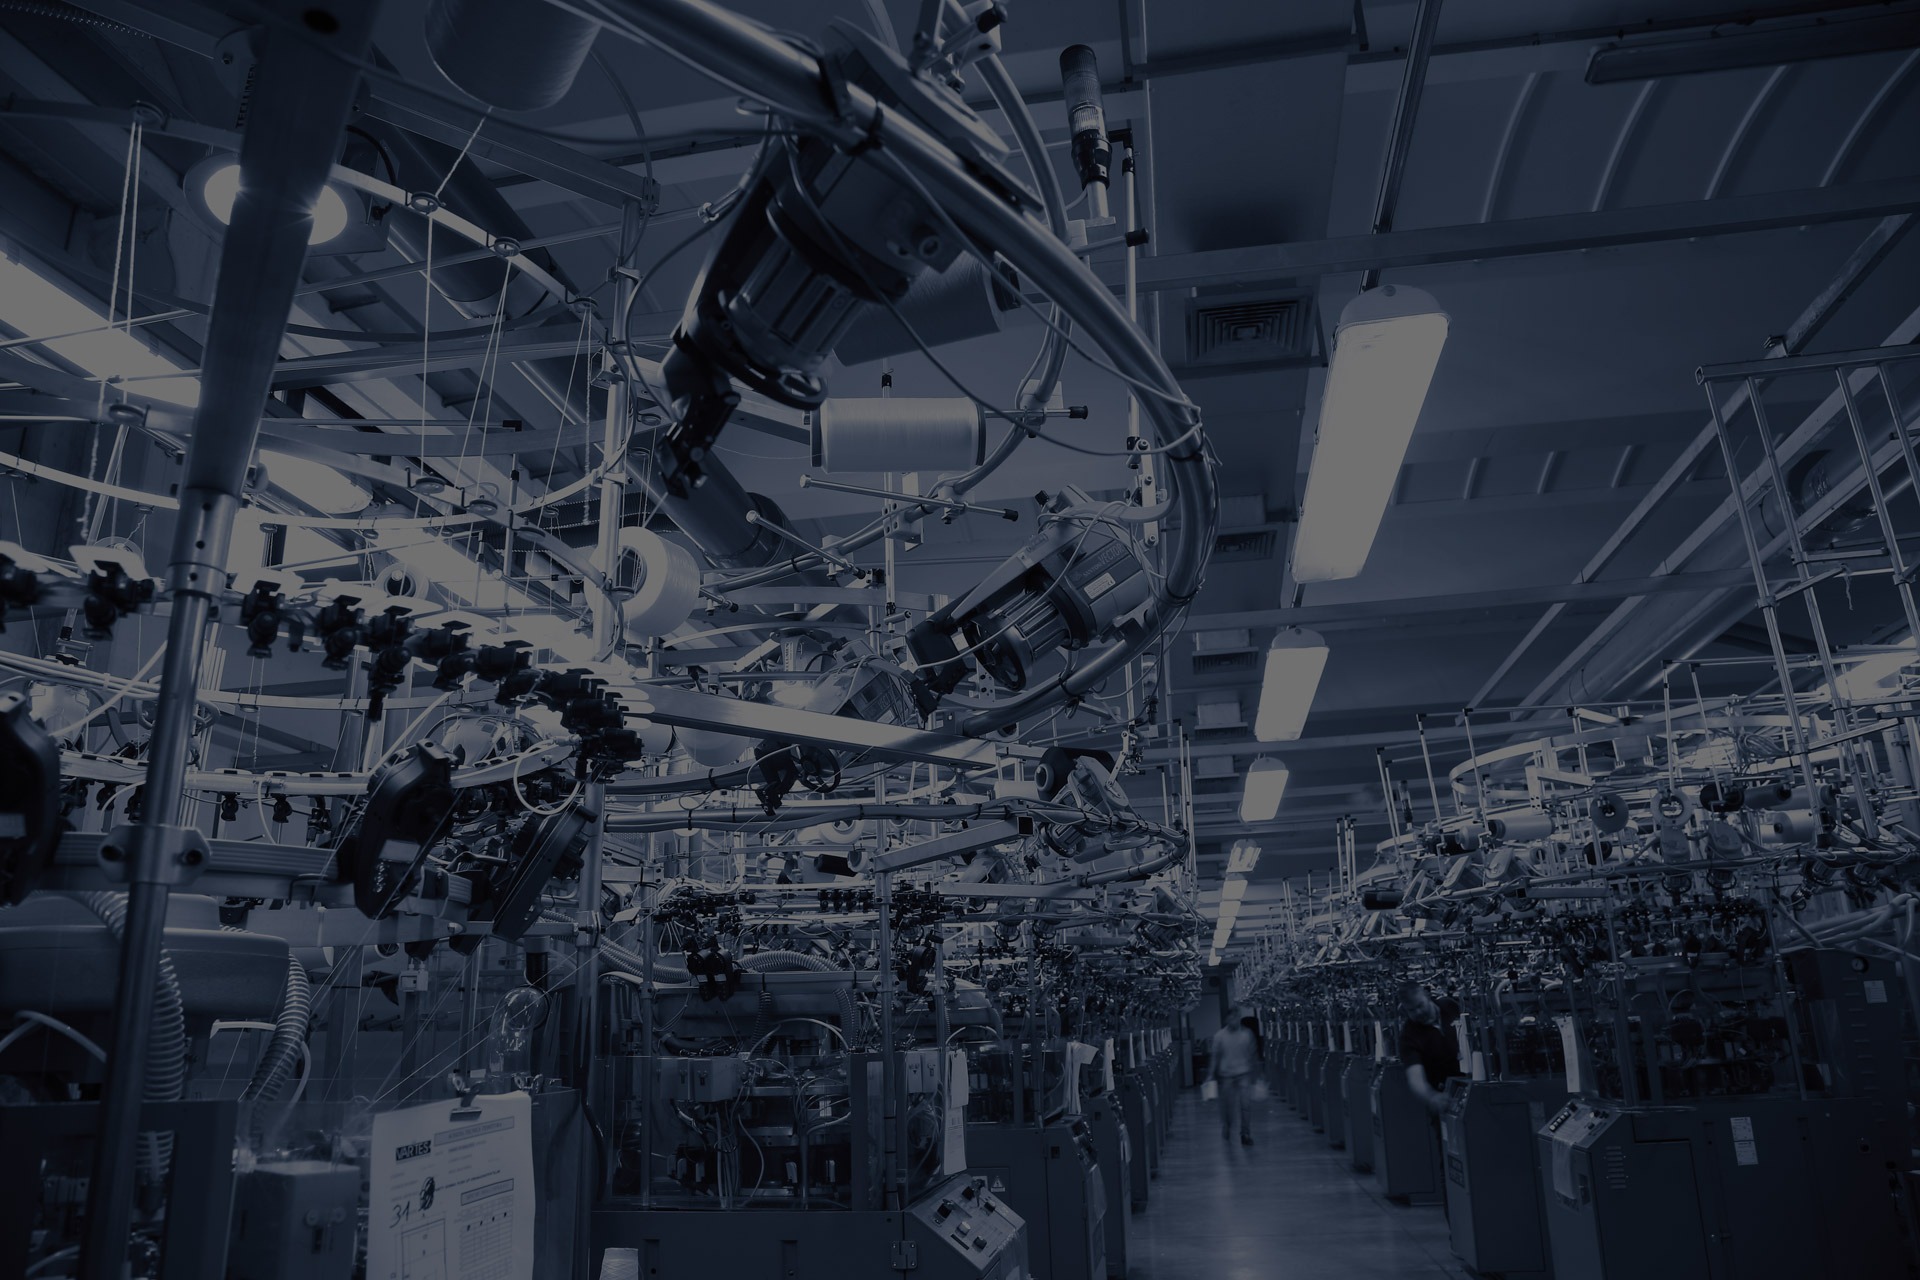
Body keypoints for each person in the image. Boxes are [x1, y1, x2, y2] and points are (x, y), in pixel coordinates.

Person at [1398, 982, 1460, 1117]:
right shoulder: (1409, 1036)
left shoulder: (1449, 1006)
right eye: (1411, 1010)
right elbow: (1415, 1078)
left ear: (1427, 996)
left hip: (1473, 1083)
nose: (1418, 1012)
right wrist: (1432, 1097)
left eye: (1420, 1005)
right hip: (1445, 1096)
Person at [1207, 1008, 1261, 1145]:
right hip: (1227, 1076)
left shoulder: (1247, 1034)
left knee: (1246, 1105)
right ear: (1227, 1019)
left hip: (1244, 1074)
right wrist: (1210, 1075)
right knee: (1228, 1106)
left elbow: (1253, 1055)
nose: (1235, 1020)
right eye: (1232, 1018)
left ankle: (1245, 1133)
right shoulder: (1220, 1036)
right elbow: (1215, 1057)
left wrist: (1257, 1074)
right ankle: (1227, 1125)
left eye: (1237, 1017)